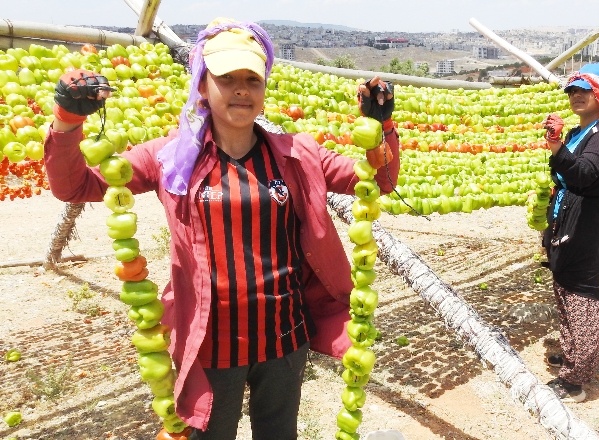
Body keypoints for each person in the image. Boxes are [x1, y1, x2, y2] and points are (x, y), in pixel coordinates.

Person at [43, 18, 400, 439]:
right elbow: (76, 185)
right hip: (212, 342)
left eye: (252, 78)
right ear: (201, 85)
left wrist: (383, 129)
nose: (242, 89)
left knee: (279, 433)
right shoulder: (171, 157)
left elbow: (379, 180)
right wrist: (67, 121)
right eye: (226, 78)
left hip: (284, 336)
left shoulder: (297, 154)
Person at [540, 62, 599, 403]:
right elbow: (566, 177)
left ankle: (576, 379)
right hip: (568, 217)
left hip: (587, 223)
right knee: (565, 287)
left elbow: (586, 174)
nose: (576, 95)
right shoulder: (580, 132)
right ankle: (575, 350)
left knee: (581, 295)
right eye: (572, 90)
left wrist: (557, 148)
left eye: (584, 90)